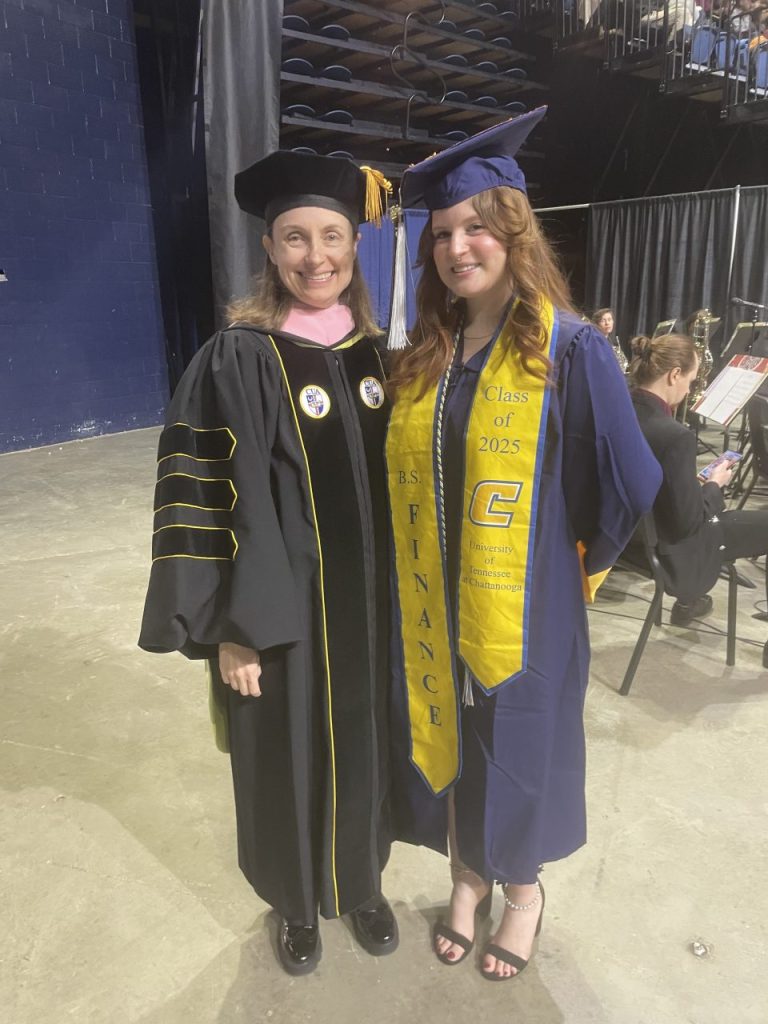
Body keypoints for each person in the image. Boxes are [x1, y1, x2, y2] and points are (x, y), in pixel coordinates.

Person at [385, 108, 661, 981]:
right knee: (453, 734)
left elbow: (627, 476)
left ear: (513, 232)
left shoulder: (569, 349)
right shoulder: (431, 351)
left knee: (521, 739)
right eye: (442, 235)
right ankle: (466, 877)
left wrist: (570, 560)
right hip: (434, 594)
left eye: (475, 229)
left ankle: (523, 891)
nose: (457, 248)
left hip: (526, 600)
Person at [139, 151, 397, 975]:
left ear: (354, 247)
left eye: (331, 236)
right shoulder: (240, 355)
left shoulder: (376, 355)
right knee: (285, 758)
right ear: (271, 251)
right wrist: (232, 629)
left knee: (366, 746)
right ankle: (296, 903)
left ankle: (359, 882)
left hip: (370, 615)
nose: (315, 256)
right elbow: (208, 501)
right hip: (279, 614)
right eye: (295, 238)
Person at [628, 333, 768, 655]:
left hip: (630, 544)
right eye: (690, 381)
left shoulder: (622, 411)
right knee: (727, 516)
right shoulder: (675, 436)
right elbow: (689, 524)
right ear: (674, 375)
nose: (689, 391)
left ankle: (688, 604)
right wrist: (713, 485)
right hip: (673, 552)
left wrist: (689, 485)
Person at [592, 306, 628, 372]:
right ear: (596, 324)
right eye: (603, 321)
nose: (607, 323)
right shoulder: (594, 342)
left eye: (609, 319)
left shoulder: (611, 341)